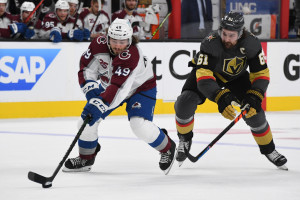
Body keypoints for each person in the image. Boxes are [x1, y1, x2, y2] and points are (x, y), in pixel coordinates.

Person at [174, 11, 288, 170]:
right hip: (210, 74)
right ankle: (184, 139)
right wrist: (220, 96)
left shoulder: (252, 43)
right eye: (224, 33)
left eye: (231, 35)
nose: (226, 38)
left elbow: (261, 73)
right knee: (184, 102)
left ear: (240, 33)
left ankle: (270, 150)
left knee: (256, 114)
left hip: (237, 78)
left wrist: (255, 95)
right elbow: (203, 76)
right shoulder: (210, 42)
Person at [62, 18, 176, 174]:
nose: (117, 45)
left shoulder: (132, 55)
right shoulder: (98, 44)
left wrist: (99, 104)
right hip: (110, 86)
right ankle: (86, 158)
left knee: (138, 126)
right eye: (114, 40)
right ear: (107, 37)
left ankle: (167, 147)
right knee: (85, 121)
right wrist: (91, 93)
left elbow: (119, 89)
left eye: (122, 41)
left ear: (129, 40)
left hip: (140, 88)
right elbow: (86, 69)